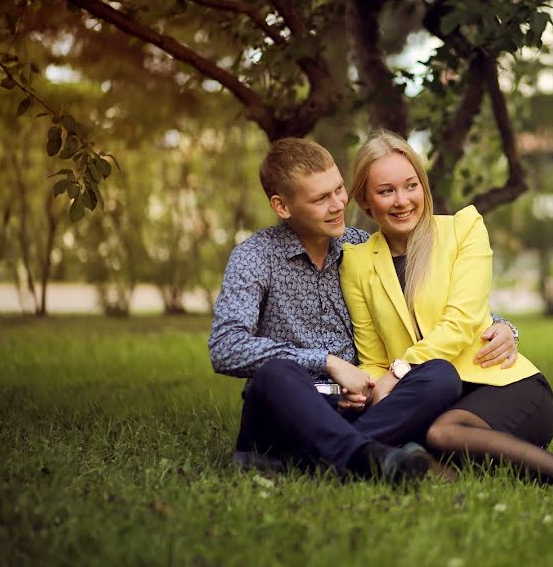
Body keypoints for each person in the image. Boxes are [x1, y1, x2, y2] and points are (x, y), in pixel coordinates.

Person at [340, 130, 553, 492]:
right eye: (386, 191)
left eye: (411, 185)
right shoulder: (357, 262)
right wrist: (375, 388)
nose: (402, 200)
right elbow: (372, 355)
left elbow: (461, 323)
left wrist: (399, 371)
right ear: (365, 200)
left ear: (423, 187)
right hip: (430, 398)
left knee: (443, 434)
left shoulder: (463, 229)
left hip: (501, 383)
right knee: (419, 443)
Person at [208, 137, 520, 482]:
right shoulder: (255, 257)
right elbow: (225, 346)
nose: (338, 204)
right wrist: (327, 362)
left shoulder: (359, 246)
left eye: (339, 189)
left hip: (361, 407)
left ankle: (326, 460)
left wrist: (504, 327)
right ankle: (365, 455)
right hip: (288, 406)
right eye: (320, 198)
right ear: (283, 206)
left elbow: (432, 306)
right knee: (276, 374)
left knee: (440, 375)